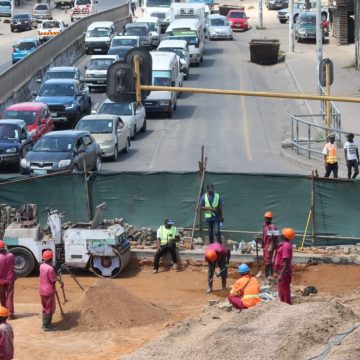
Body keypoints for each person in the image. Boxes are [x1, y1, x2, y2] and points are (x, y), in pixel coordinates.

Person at [39, 250, 62, 331]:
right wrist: (58, 277)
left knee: (44, 307)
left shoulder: (41, 266)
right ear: (51, 258)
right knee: (50, 308)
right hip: (49, 291)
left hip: (42, 290)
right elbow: (53, 280)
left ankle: (44, 324)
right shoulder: (50, 269)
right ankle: (47, 326)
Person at [274, 228, 295, 305]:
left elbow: (286, 261)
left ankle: (286, 305)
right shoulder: (284, 244)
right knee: (282, 290)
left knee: (284, 291)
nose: (281, 235)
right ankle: (284, 305)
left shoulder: (286, 246)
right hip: (282, 271)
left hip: (284, 273)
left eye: (282, 234)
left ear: (284, 235)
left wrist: (281, 275)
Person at [0, 241, 16, 320]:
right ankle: (11, 314)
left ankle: (3, 314)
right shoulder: (11, 255)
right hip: (10, 279)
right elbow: (13, 265)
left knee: (2, 297)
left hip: (1, 281)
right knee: (10, 296)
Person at [262, 211, 278, 279]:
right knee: (266, 261)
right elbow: (265, 235)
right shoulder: (265, 226)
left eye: (268, 218)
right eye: (265, 218)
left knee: (268, 262)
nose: (266, 219)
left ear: (270, 219)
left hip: (269, 247)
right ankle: (267, 276)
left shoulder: (272, 227)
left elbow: (275, 236)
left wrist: (271, 246)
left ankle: (269, 276)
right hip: (265, 246)